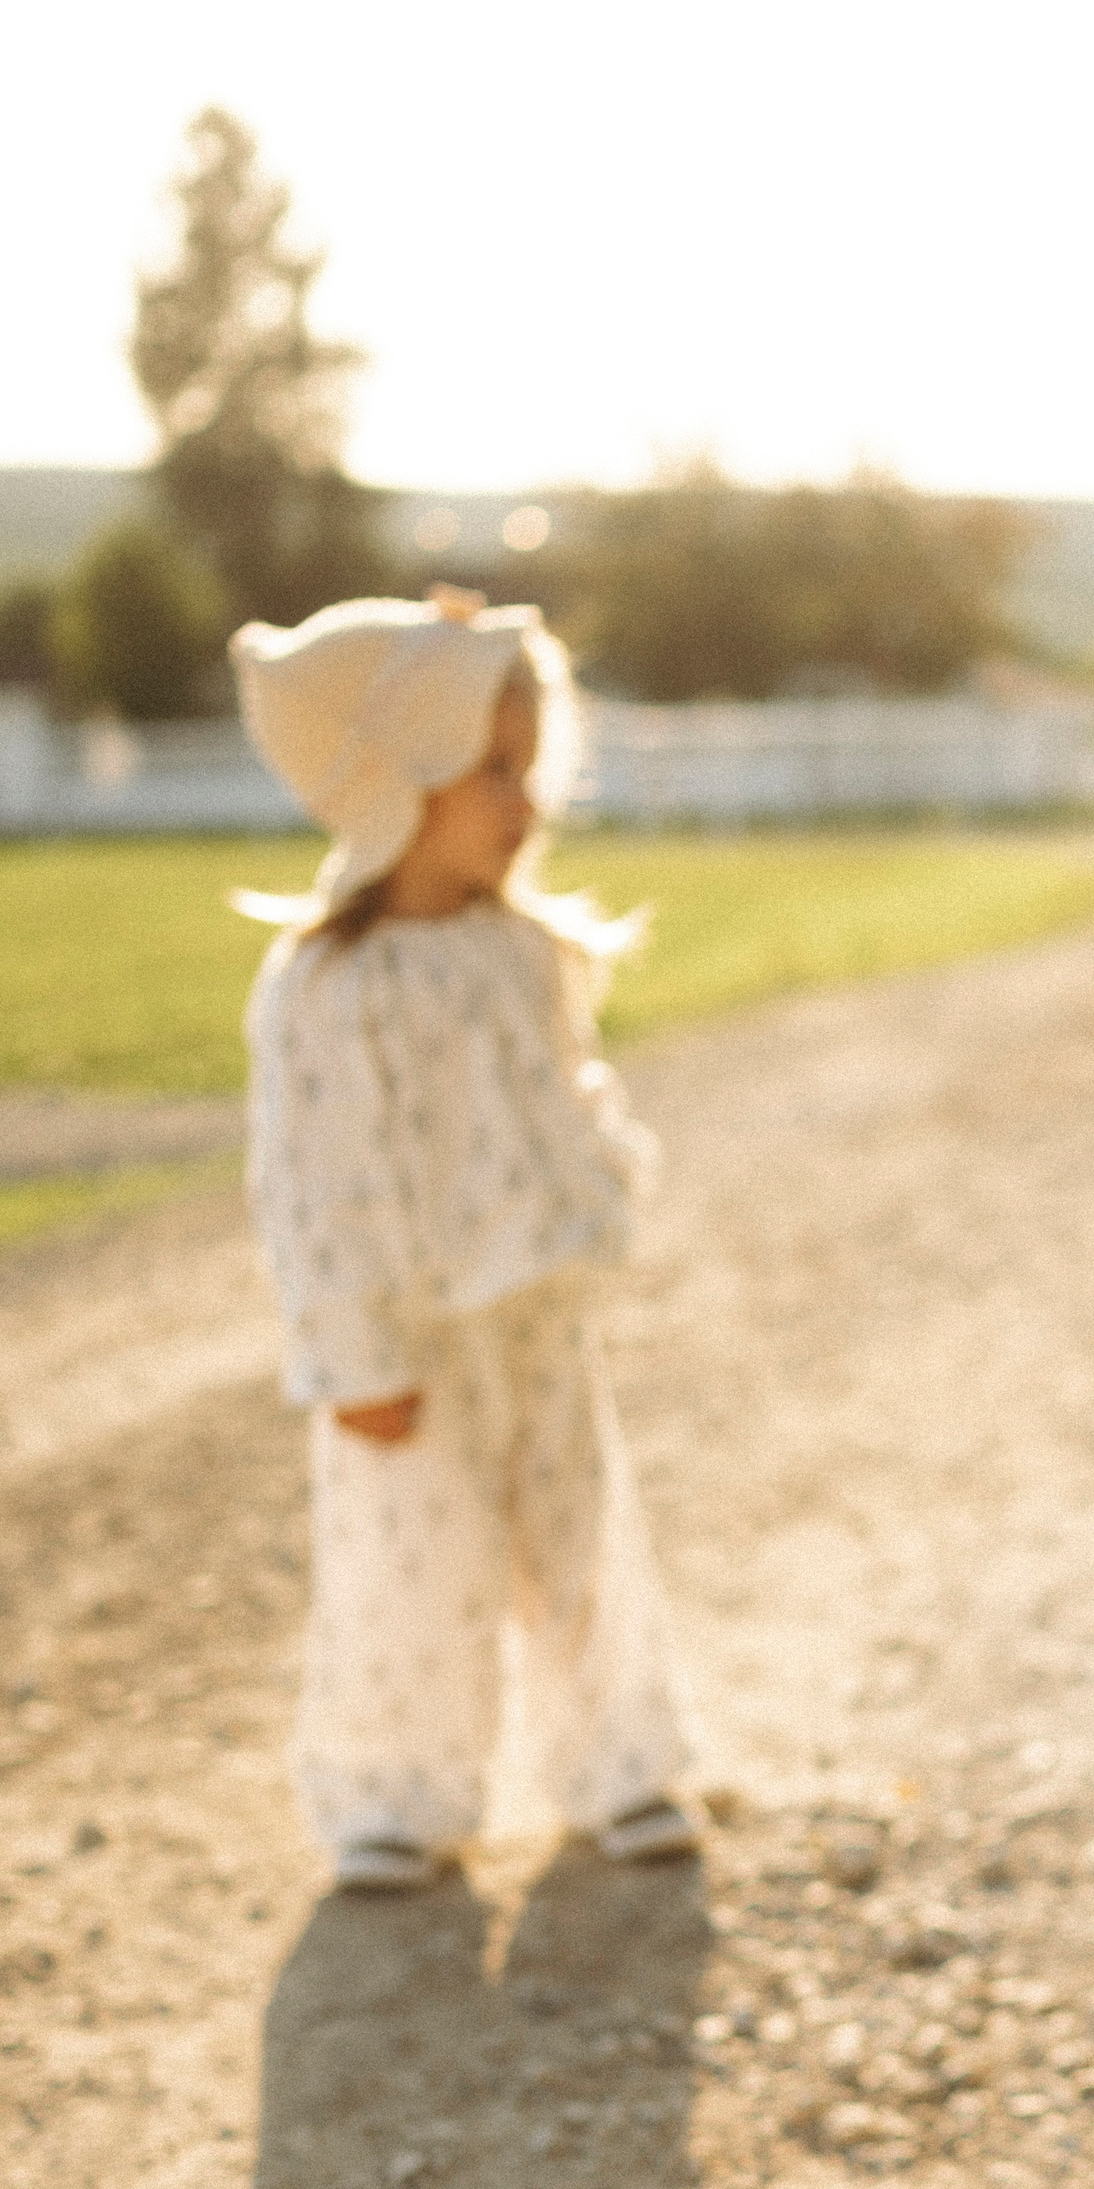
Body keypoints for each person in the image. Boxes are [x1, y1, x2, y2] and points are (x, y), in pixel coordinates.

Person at [231, 588, 696, 1894]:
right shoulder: (328, 986)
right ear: (395, 782)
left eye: (528, 766)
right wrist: (351, 1357)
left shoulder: (521, 953)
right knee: (405, 1559)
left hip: (534, 1308)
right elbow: (311, 1188)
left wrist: (601, 1185)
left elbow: (571, 1092)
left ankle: (622, 1767)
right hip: (407, 1338)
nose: (527, 801)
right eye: (493, 769)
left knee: (576, 1531)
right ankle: (393, 1791)